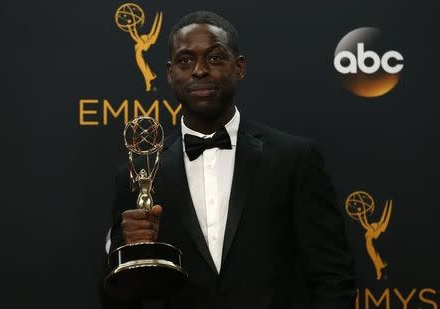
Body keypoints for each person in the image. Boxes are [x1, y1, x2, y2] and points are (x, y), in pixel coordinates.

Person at [102, 11, 356, 309]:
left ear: (239, 67)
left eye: (215, 58)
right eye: (186, 61)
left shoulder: (294, 159)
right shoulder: (141, 173)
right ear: (170, 74)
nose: (199, 70)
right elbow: (114, 295)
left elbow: (333, 278)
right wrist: (125, 248)